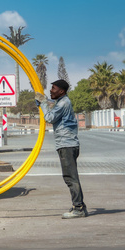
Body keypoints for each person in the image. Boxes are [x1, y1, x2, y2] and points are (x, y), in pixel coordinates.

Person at [37, 78, 87, 218]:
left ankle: (78, 208)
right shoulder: (62, 101)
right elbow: (52, 109)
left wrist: (43, 103)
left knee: (70, 177)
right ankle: (79, 205)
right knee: (72, 177)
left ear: (61, 91)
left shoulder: (63, 103)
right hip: (68, 144)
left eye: (54, 88)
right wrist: (44, 103)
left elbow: (50, 118)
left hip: (66, 145)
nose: (51, 90)